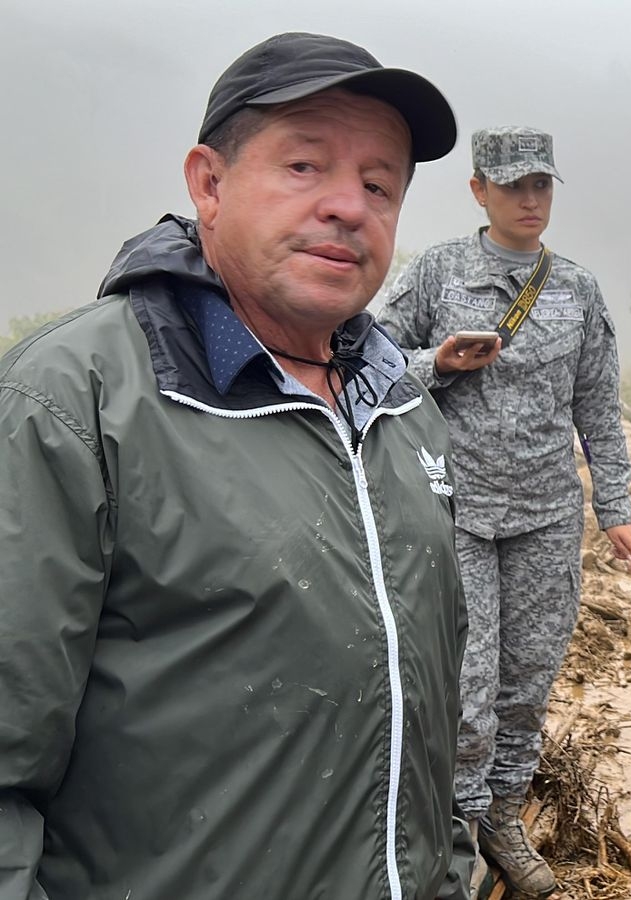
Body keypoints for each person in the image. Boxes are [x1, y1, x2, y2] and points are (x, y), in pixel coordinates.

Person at [0, 33, 472, 899]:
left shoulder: (404, 410)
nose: (348, 206)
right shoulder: (74, 402)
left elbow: (427, 710)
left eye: (379, 185)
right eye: (304, 166)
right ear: (209, 184)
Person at [378, 126, 631, 896]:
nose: (530, 199)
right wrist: (437, 363)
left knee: (525, 684)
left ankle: (501, 817)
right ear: (479, 190)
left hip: (547, 517)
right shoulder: (438, 273)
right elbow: (370, 363)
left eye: (541, 185)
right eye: (514, 185)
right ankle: (454, 838)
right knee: (468, 692)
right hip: (455, 511)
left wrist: (616, 508)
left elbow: (598, 407)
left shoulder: (577, 290)